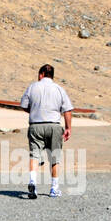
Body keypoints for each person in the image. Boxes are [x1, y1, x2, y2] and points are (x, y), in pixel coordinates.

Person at [19, 64, 74, 199]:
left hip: (36, 126)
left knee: (34, 155)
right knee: (54, 157)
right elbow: (67, 110)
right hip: (54, 126)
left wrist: (34, 110)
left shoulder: (32, 87)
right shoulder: (59, 89)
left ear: (41, 74)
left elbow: (23, 105)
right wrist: (68, 128)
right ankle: (54, 189)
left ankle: (33, 182)